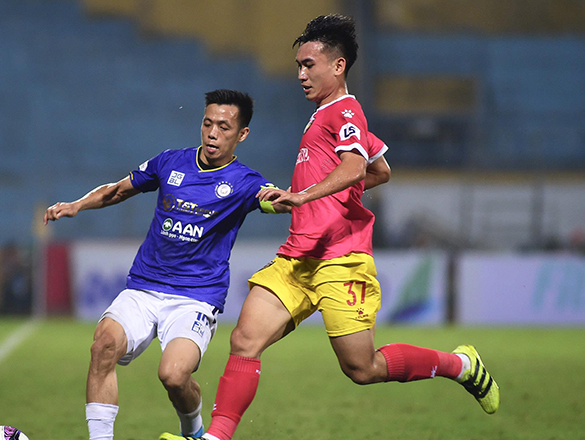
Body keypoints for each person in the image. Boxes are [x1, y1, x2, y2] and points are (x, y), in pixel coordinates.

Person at [160, 14, 498, 440]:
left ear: (337, 67)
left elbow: (356, 165)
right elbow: (380, 170)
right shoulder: (326, 115)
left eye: (309, 65)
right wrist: (328, 192)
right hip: (298, 257)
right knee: (245, 339)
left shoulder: (345, 110)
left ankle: (461, 365)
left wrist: (306, 195)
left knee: (363, 368)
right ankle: (216, 437)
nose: (300, 74)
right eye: (299, 65)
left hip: (341, 259)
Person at [44, 89, 292, 440]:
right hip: (144, 288)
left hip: (195, 298)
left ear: (242, 134)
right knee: (103, 347)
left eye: (224, 127)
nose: (212, 133)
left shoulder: (245, 182)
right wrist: (77, 205)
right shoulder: (170, 162)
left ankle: (193, 429)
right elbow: (118, 190)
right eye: (207, 123)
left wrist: (300, 200)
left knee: (174, 376)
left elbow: (277, 201)